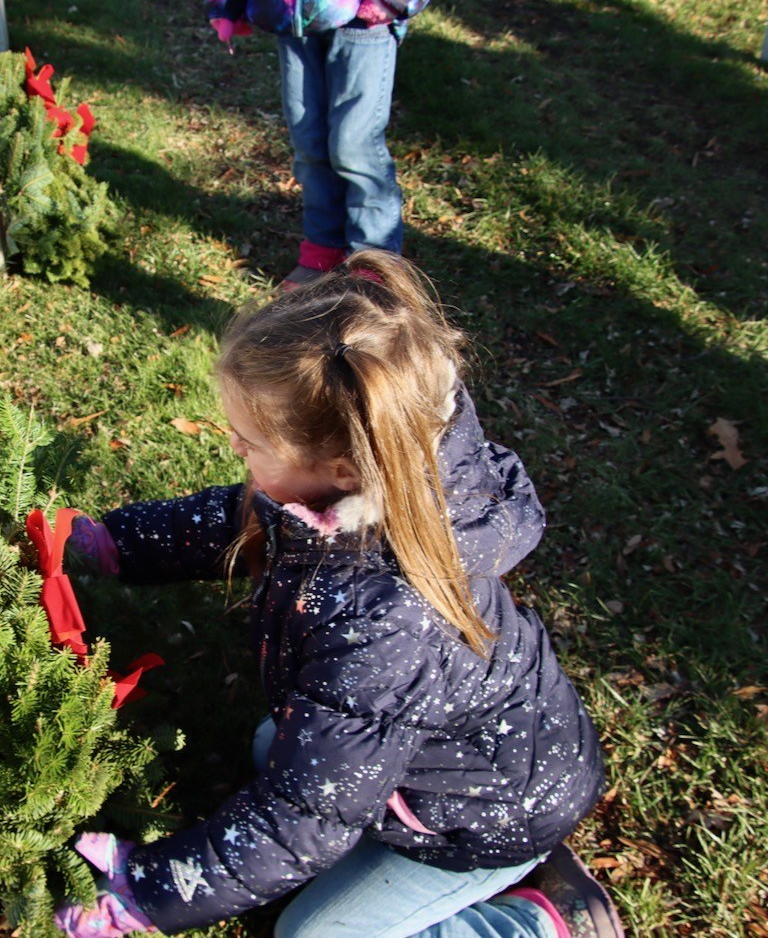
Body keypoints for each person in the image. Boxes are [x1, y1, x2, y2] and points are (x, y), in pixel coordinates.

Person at [54, 250, 618, 937]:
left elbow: (304, 820)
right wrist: (117, 544)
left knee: (312, 934)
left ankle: (539, 919)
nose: (235, 448)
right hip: (449, 764)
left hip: (483, 818)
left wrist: (147, 896)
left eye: (249, 442)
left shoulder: (387, 624)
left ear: (343, 466)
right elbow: (239, 521)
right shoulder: (358, 484)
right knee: (275, 747)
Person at [205, 0, 444, 288]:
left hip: (364, 19)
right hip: (291, 15)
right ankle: (323, 250)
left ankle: (374, 263)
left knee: (354, 145)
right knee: (308, 141)